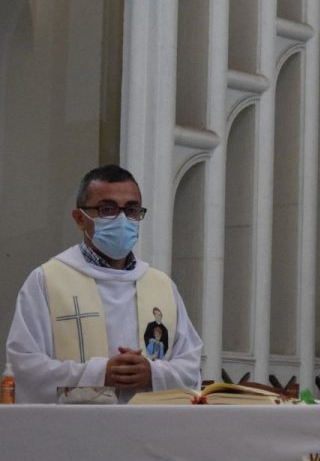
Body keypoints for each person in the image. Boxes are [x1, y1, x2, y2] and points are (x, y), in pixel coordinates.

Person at [5, 164, 203, 403]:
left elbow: (191, 365)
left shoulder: (161, 285)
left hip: (149, 430)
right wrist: (99, 373)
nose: (121, 218)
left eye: (131, 210)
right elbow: (24, 365)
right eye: (107, 209)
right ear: (80, 218)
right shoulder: (48, 280)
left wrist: (152, 373)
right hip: (75, 431)